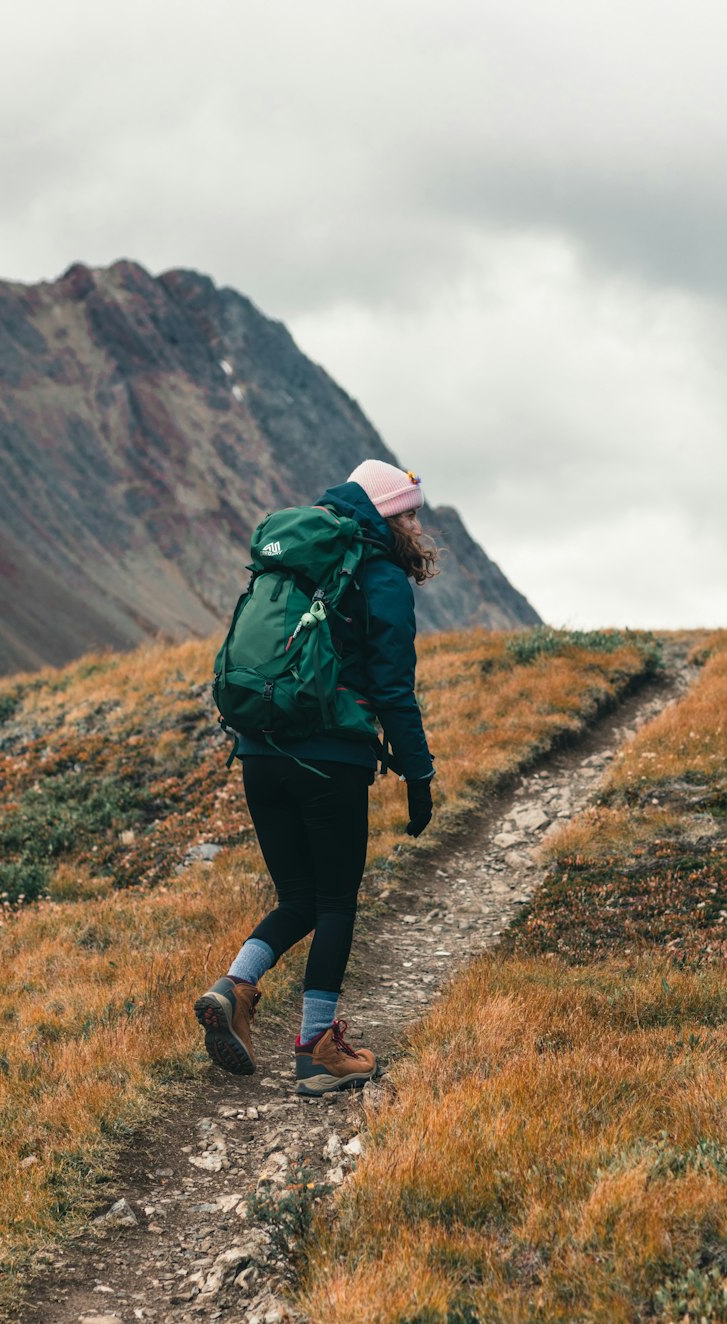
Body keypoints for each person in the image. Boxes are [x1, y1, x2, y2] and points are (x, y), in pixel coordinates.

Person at [194, 459, 438, 1097]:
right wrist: (419, 775)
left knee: (299, 896)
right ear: (387, 515)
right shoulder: (378, 574)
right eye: (409, 512)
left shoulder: (297, 560)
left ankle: (235, 986)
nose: (416, 524)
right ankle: (316, 1050)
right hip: (329, 758)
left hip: (258, 751)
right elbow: (392, 688)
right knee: (334, 902)